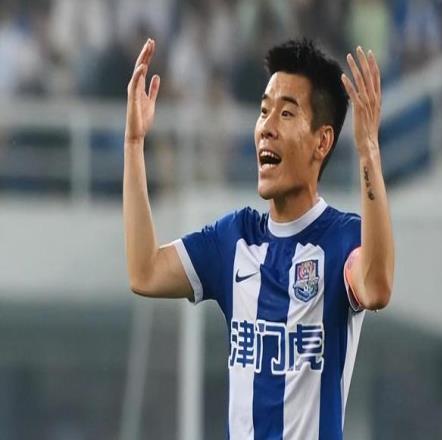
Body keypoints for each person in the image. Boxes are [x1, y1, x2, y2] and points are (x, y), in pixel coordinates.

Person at [123, 37, 394, 439]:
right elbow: (144, 271)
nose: (266, 127)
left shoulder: (342, 239)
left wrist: (369, 150)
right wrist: (133, 144)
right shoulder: (233, 239)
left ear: (322, 141)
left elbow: (376, 287)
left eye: (286, 113)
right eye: (264, 111)